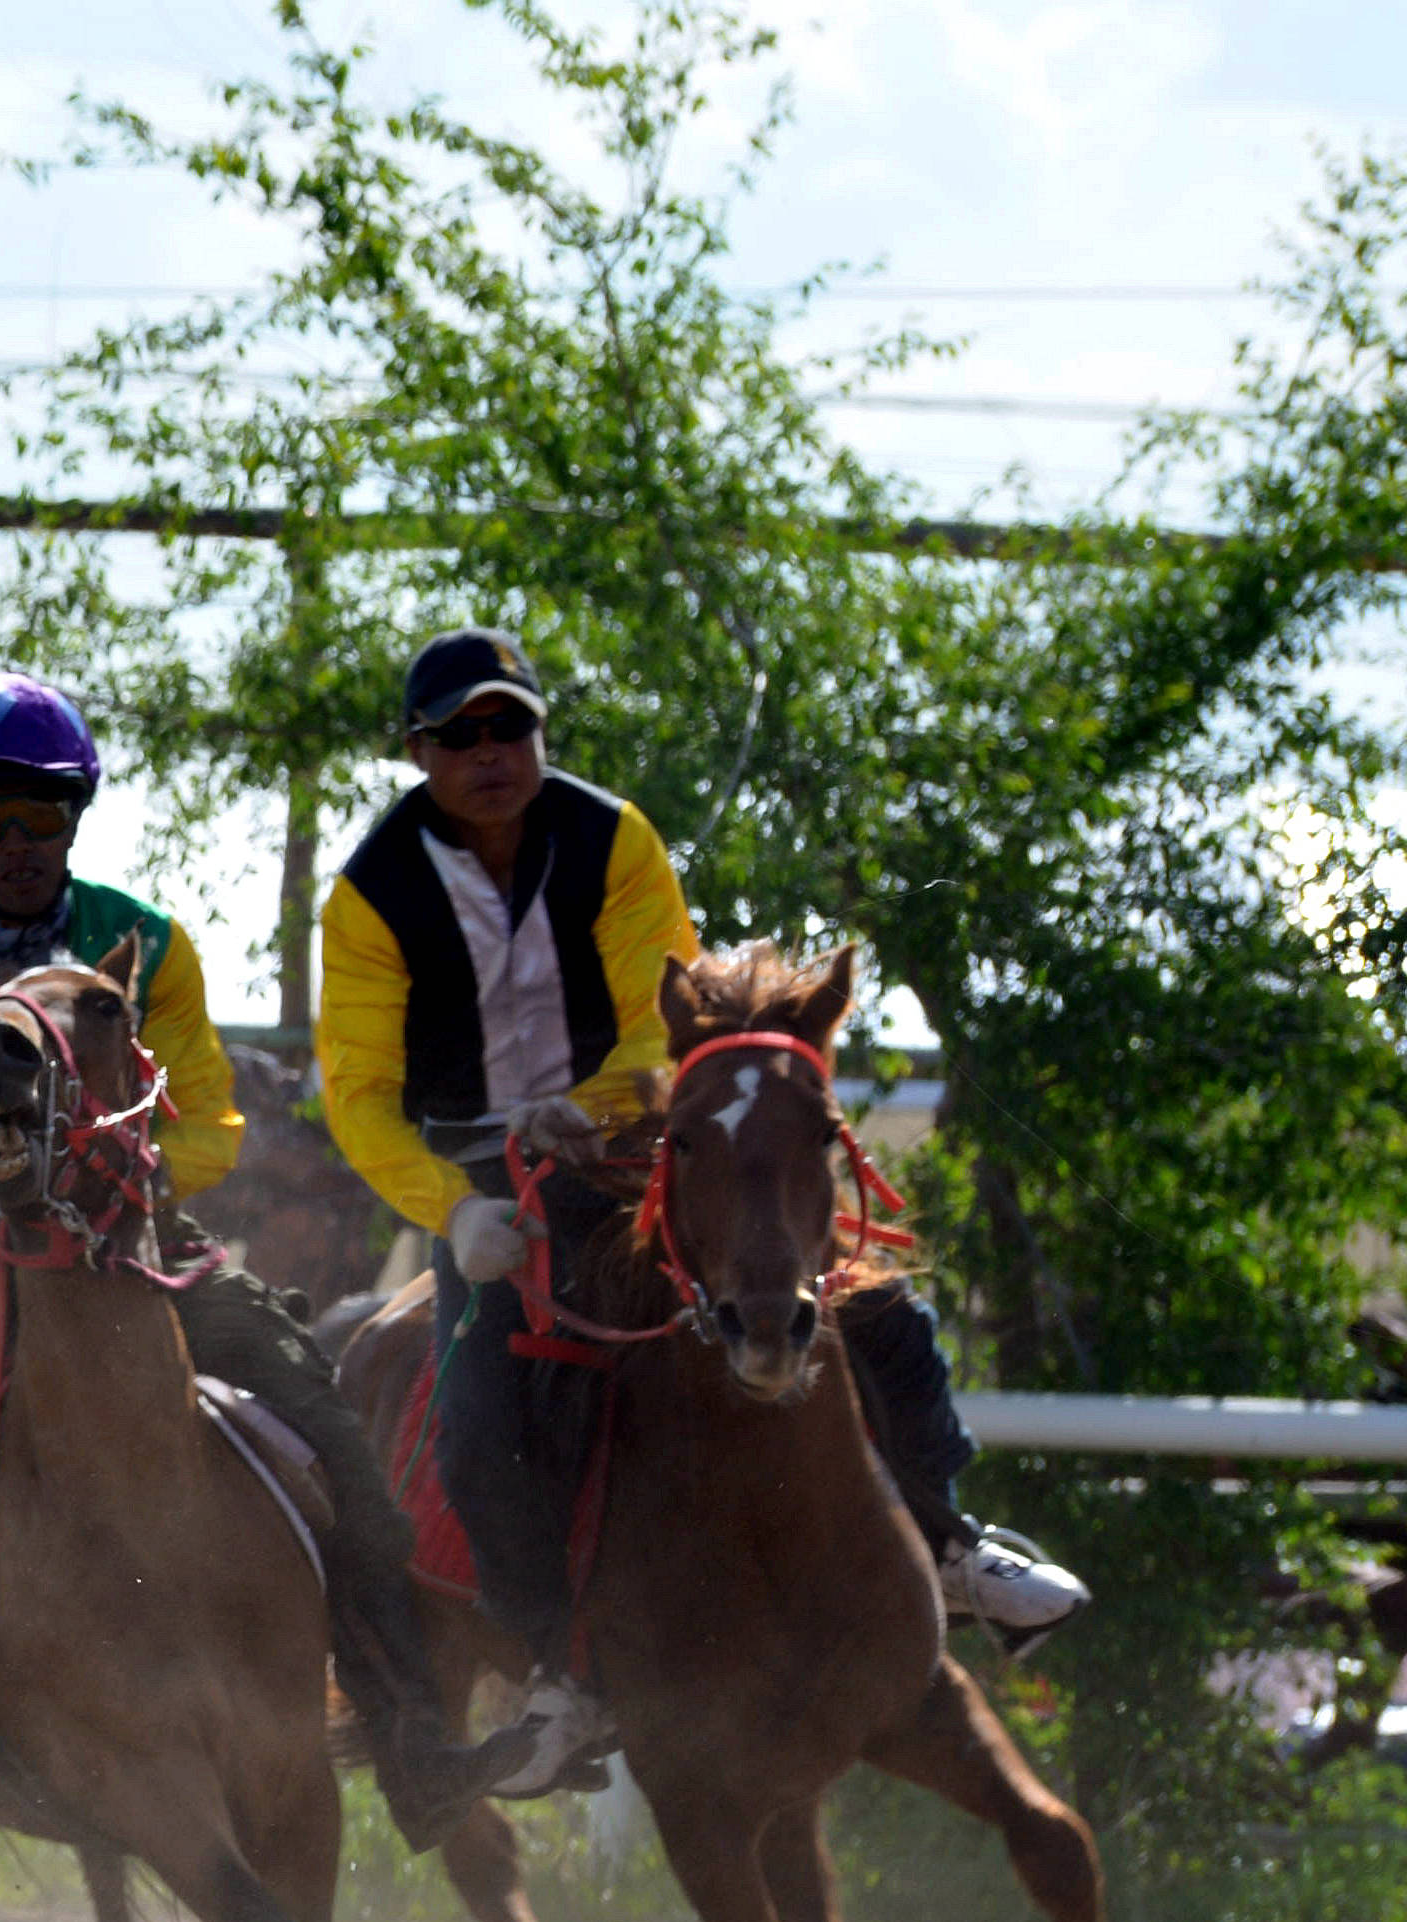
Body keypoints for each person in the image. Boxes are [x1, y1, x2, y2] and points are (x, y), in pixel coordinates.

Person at [314, 626, 1084, 1798]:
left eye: (508, 724)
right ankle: (553, 1674)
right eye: (459, 735)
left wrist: (588, 1111)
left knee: (869, 1304)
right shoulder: (368, 895)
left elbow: (655, 1011)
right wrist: (452, 1207)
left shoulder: (615, 837)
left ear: (538, 730)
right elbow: (360, 1096)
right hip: (482, 1198)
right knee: (475, 1415)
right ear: (417, 752)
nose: (489, 751)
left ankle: (952, 1538)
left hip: (633, 1153)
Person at [0, 673, 523, 1831]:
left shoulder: (152, 946)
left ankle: (410, 1737)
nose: (18, 844)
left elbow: (210, 1120)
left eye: (40, 816)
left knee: (336, 1441)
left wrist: (121, 1201)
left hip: (145, 1255)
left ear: (75, 818)